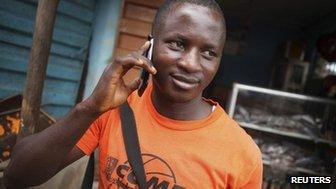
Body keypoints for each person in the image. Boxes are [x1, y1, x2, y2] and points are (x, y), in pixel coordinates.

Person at [4, 0, 263, 188]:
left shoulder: (242, 153)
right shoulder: (113, 110)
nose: (191, 63)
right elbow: (18, 175)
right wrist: (91, 106)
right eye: (178, 43)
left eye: (208, 53)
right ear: (148, 46)